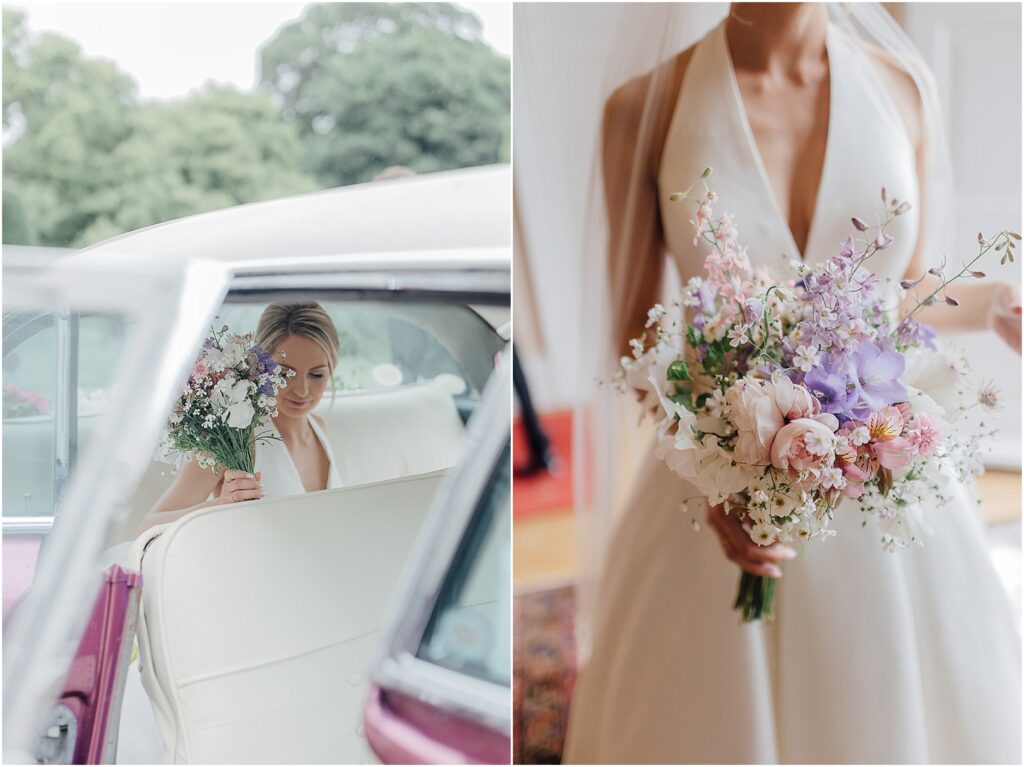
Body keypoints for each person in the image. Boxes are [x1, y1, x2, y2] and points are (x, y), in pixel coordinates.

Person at [563, 4, 1022, 763]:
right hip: (715, 479)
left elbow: (898, 293)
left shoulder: (902, 85)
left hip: (882, 462)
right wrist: (717, 479)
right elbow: (635, 339)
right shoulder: (643, 109)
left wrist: (999, 301)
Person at [138, 302, 344, 534]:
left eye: (317, 374)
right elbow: (147, 527)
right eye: (285, 373)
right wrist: (218, 506)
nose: (303, 390)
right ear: (262, 366)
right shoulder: (233, 439)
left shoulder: (320, 429)